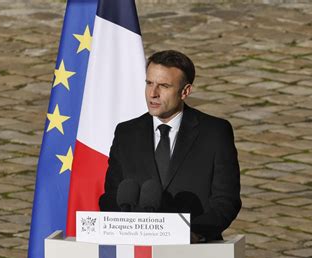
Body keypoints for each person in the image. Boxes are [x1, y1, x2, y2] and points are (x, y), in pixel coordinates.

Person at [99, 50, 241, 242]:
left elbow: (226, 201)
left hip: (196, 250)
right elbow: (113, 196)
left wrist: (191, 234)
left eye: (164, 86)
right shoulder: (127, 133)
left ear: (185, 91)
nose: (153, 93)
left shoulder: (214, 132)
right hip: (136, 253)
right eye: (149, 83)